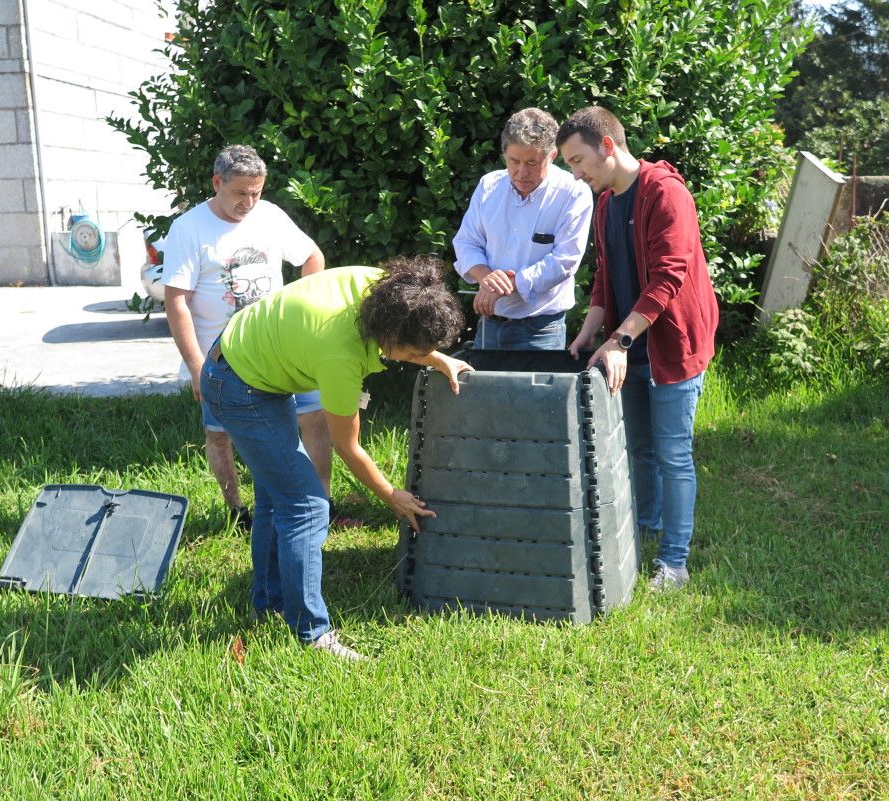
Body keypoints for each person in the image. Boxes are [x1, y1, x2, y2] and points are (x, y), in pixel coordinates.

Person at [201, 258, 471, 659]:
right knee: (307, 505)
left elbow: (408, 338)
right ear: (389, 334)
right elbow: (348, 447)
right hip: (239, 385)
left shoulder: (392, 289)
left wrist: (435, 357)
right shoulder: (340, 352)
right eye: (414, 353)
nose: (415, 357)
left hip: (248, 361)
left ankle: (269, 603)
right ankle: (312, 633)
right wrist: (389, 493)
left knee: (279, 496)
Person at [556, 106, 719, 591]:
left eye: (578, 160)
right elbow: (606, 274)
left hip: (671, 344)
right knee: (640, 448)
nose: (576, 173)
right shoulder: (606, 203)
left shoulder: (667, 194)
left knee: (672, 454)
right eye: (569, 164)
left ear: (608, 145)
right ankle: (644, 532)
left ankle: (674, 563)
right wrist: (591, 329)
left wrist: (620, 339)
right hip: (625, 343)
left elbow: (669, 278)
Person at [160, 144, 333, 531]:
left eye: (256, 192)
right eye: (241, 192)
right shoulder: (189, 229)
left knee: (315, 417)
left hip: (284, 349)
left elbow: (312, 257)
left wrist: (306, 313)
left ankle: (321, 502)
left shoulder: (270, 215)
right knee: (219, 434)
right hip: (222, 361)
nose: (250, 201)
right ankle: (237, 512)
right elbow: (176, 302)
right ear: (217, 182)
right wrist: (195, 365)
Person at [452, 107, 593, 350]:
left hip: (541, 331)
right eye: (513, 161)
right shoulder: (489, 185)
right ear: (504, 154)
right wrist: (486, 277)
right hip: (488, 325)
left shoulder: (574, 192)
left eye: (532, 162)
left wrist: (508, 283)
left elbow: (565, 260)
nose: (521, 172)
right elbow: (466, 242)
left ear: (551, 156)